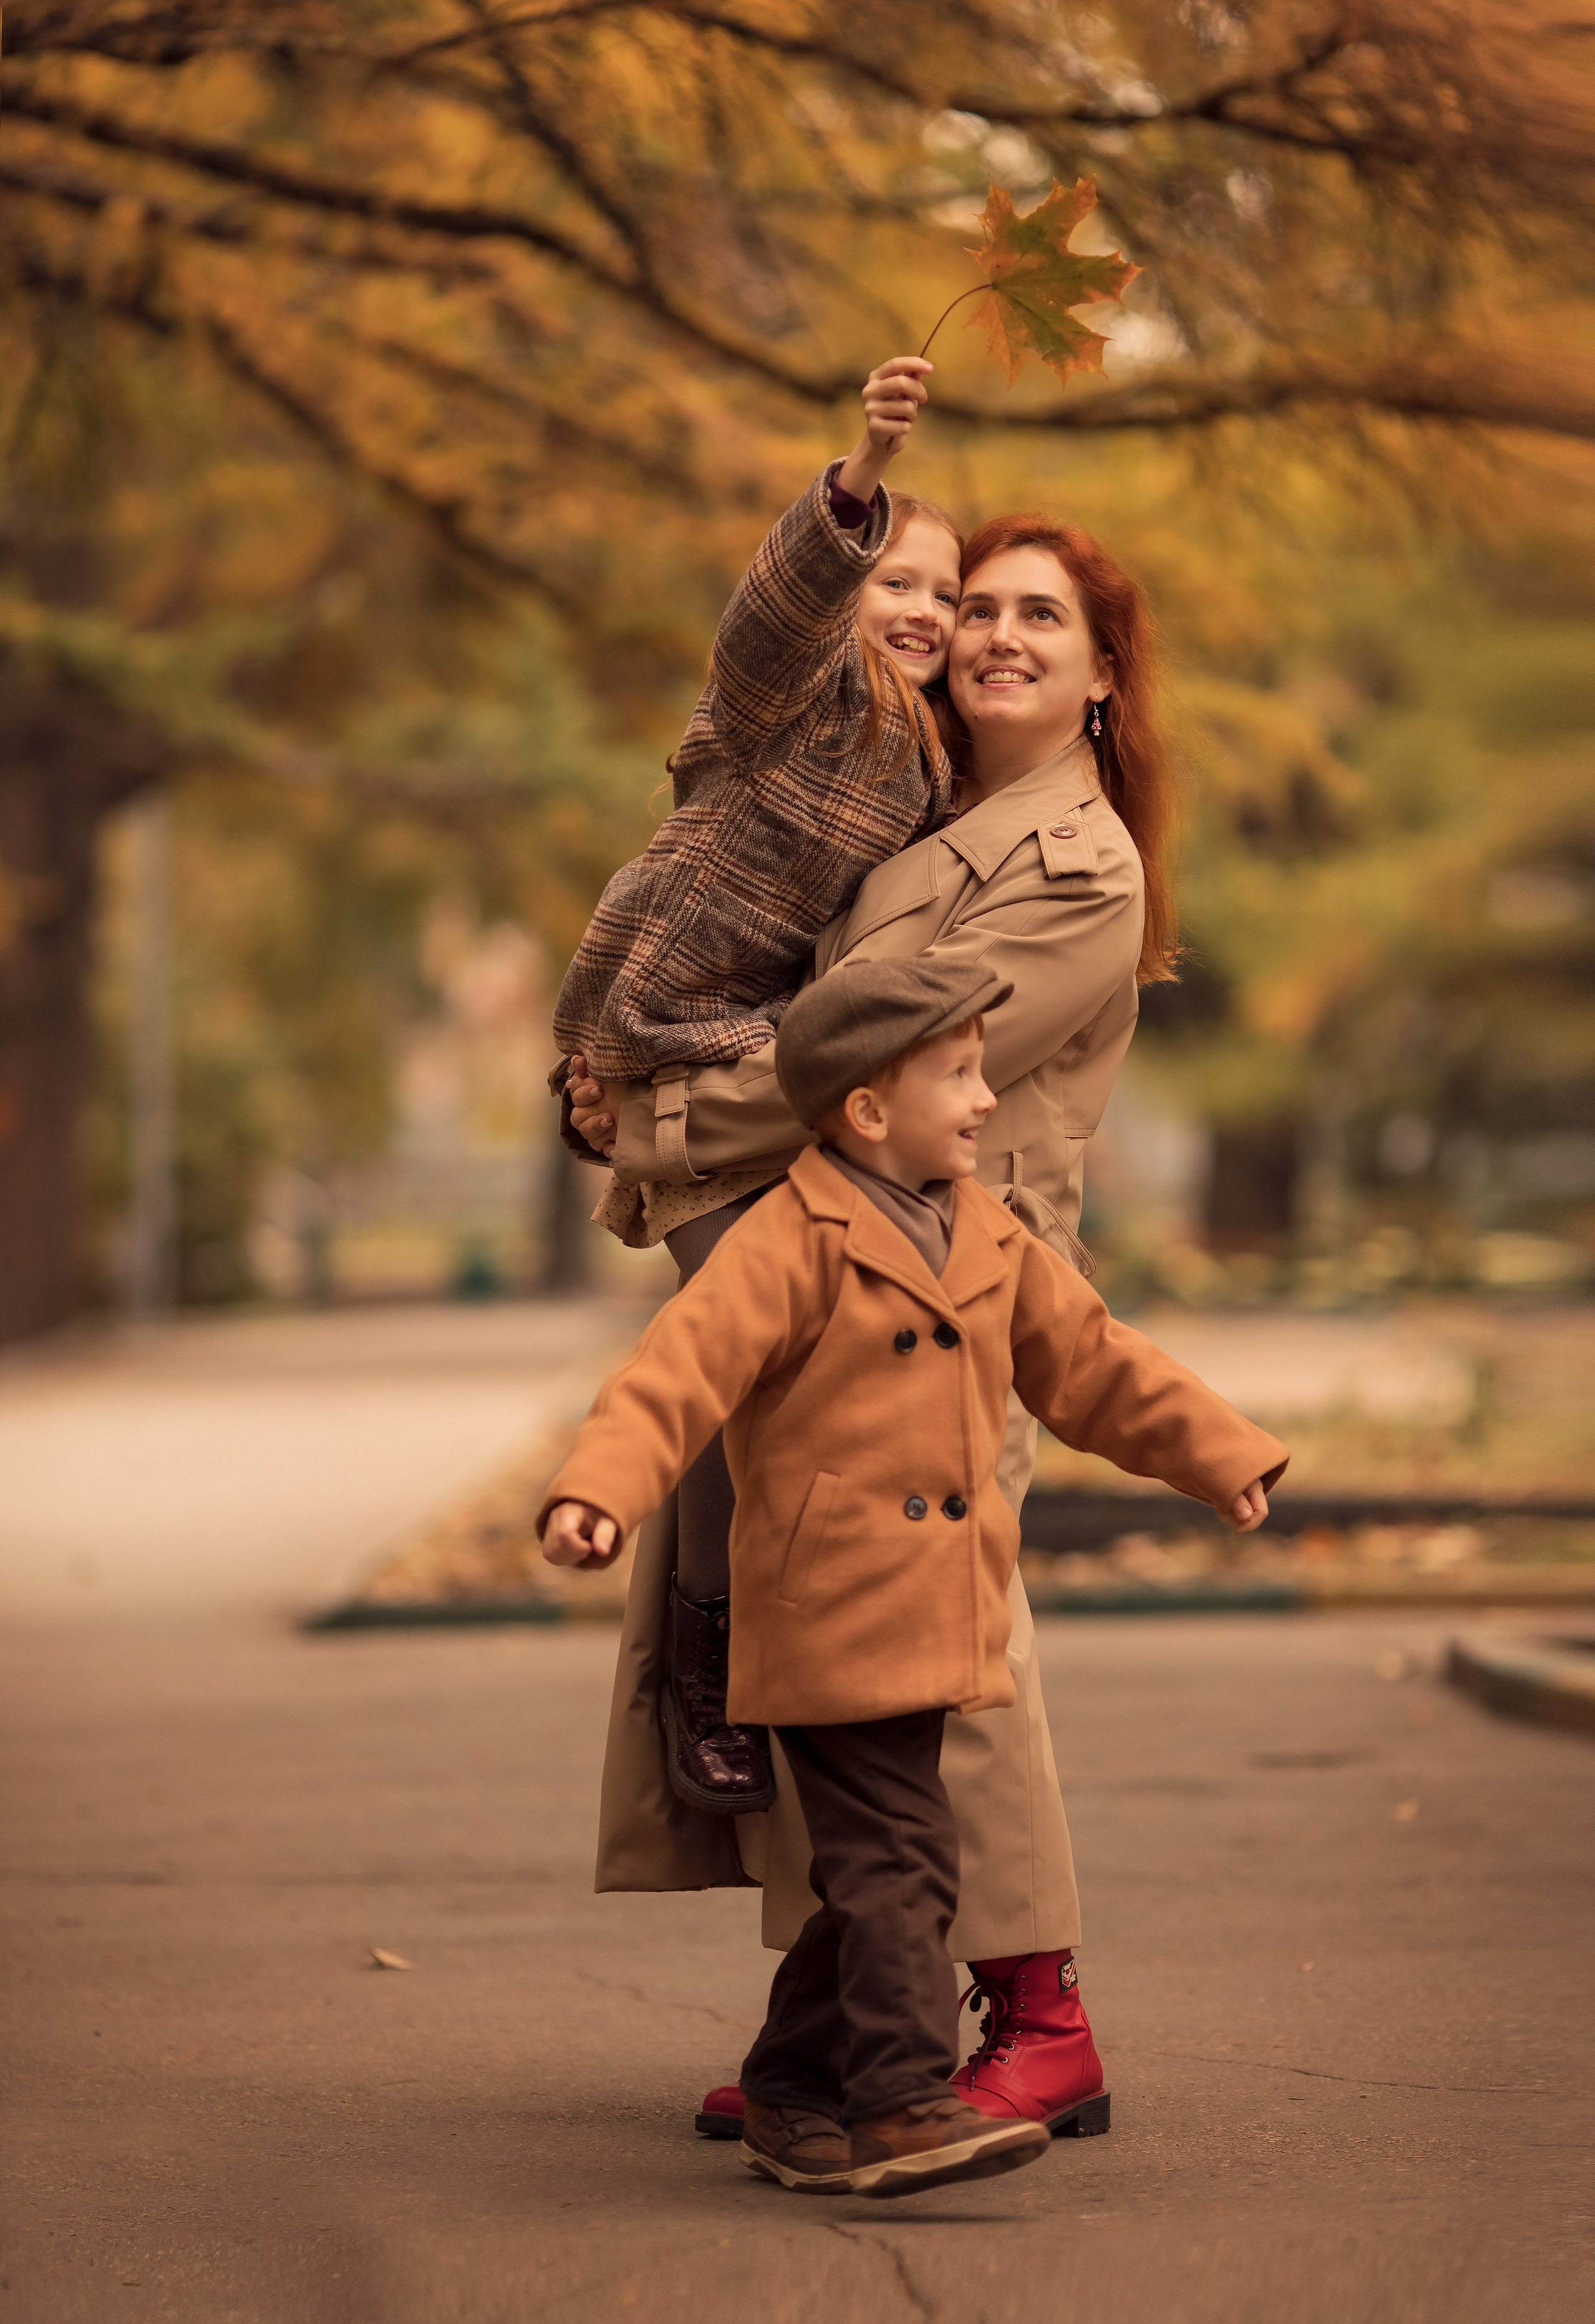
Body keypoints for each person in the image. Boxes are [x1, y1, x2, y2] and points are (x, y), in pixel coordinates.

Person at [566, 503, 1176, 2140]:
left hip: (956, 1301)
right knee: (838, 1651)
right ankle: (849, 2014)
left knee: (957, 1662)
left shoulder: (1074, 862)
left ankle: (1044, 2017)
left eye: (1043, 618)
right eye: (977, 606)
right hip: (845, 1277)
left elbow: (877, 1063)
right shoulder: (919, 807)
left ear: (1106, 676)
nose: (996, 636)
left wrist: (660, 1118)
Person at [541, 957, 1286, 2198]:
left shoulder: (982, 1226)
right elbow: (677, 1369)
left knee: (871, 1867)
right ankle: (898, 2099)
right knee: (901, 1859)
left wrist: (1216, 1455)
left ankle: (789, 2087)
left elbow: (1093, 1360)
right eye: (957, 1071)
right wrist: (595, 1490)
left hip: (934, 1612)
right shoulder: (792, 1235)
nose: (987, 1096)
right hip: (826, 1612)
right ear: (866, 1109)